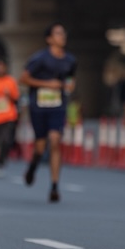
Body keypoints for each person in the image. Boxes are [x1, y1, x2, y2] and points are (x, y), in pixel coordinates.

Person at [20, 23, 77, 203]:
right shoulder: (40, 58)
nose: (62, 36)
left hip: (58, 106)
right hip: (38, 106)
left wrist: (69, 84)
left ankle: (54, 186)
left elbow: (70, 77)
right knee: (39, 147)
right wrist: (47, 84)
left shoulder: (70, 59)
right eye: (58, 33)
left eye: (63, 33)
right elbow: (23, 79)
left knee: (55, 141)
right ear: (49, 39)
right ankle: (32, 167)